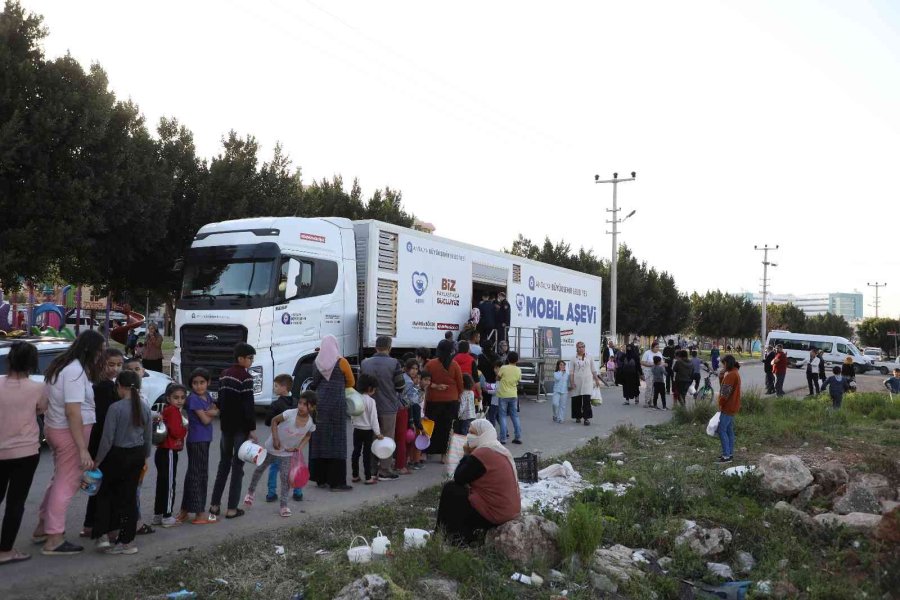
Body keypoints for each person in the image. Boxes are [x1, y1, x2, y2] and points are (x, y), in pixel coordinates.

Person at [34, 329, 104, 556]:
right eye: (99, 350)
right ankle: (54, 538)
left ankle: (43, 528)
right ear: (90, 349)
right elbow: (73, 411)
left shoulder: (60, 365)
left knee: (58, 480)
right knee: (67, 483)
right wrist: (82, 449)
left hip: (56, 429)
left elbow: (44, 401)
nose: (100, 355)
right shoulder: (74, 371)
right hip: (70, 432)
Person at [91, 369, 152, 554]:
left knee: (106, 495)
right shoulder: (144, 407)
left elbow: (107, 439)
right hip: (137, 455)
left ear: (120, 386)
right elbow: (148, 438)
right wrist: (145, 457)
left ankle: (103, 534)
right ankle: (127, 542)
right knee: (130, 498)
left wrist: (97, 460)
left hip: (116, 456)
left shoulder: (115, 408)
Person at [0, 342, 49, 565]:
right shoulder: (37, 388)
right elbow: (41, 409)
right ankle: (5, 550)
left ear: (9, 360)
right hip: (26, 452)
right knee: (15, 502)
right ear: (32, 363)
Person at [436, 419, 520, 545]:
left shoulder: (482, 453)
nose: (469, 436)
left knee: (451, 490)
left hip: (496, 514)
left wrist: (466, 454)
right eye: (469, 432)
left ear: (483, 434)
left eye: (473, 433)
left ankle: (450, 536)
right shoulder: (496, 448)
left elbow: (459, 477)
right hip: (508, 510)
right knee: (461, 492)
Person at [245, 392, 317, 517]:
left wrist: (298, 448)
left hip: (287, 454)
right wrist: (275, 438)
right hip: (271, 448)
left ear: (312, 407)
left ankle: (284, 506)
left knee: (285, 479)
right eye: (300, 403)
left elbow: (308, 435)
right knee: (259, 469)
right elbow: (274, 421)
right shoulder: (290, 413)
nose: (301, 406)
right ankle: (250, 492)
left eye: (305, 405)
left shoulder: (311, 423)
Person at [210, 343, 258, 519]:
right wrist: (252, 429)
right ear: (241, 358)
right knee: (238, 467)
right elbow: (248, 406)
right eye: (250, 358)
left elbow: (220, 400)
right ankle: (231, 509)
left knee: (224, 464)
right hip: (240, 429)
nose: (251, 361)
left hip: (226, 427)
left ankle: (214, 506)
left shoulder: (224, 375)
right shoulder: (245, 377)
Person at [82, 348, 124, 537]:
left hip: (96, 440)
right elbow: (106, 419)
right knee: (105, 487)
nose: (115, 369)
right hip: (103, 442)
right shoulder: (105, 387)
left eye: (119, 365)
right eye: (111, 364)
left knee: (97, 484)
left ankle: (90, 524)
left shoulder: (102, 383)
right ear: (102, 364)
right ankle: (103, 529)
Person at [308, 335, 355, 490]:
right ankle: (336, 482)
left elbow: (314, 383)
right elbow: (351, 382)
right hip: (336, 405)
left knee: (320, 440)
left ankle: (321, 478)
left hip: (320, 404)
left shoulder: (317, 362)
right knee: (336, 441)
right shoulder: (342, 362)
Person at [360, 336, 404, 480]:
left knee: (372, 437)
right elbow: (400, 386)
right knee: (386, 438)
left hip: (368, 407)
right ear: (389, 347)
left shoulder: (365, 363)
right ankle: (385, 469)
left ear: (375, 347)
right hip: (388, 407)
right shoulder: (394, 363)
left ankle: (372, 469)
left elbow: (360, 385)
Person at [178, 368, 218, 525]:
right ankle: (199, 513)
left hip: (204, 439)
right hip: (197, 440)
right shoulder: (193, 399)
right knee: (198, 475)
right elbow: (206, 420)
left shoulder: (206, 396)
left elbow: (216, 409)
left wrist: (211, 411)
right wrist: (211, 412)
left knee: (194, 474)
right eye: (195, 383)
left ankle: (185, 510)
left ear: (208, 383)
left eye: (202, 382)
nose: (199, 386)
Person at [153, 383, 187, 528]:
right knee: (169, 485)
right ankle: (167, 516)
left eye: (182, 398)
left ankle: (158, 515)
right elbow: (176, 432)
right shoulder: (173, 411)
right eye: (176, 397)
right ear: (168, 398)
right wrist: (184, 429)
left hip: (162, 451)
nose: (179, 400)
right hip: (169, 451)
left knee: (162, 483)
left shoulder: (167, 410)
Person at [424, 339, 465, 460]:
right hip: (451, 401)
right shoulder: (455, 365)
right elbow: (460, 384)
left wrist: (435, 386)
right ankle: (444, 455)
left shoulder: (430, 364)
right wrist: (457, 396)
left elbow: (424, 380)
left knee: (431, 426)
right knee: (447, 428)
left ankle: (427, 452)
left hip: (433, 400)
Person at [264, 375, 301, 502]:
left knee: (275, 467)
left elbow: (268, 421)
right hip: (295, 440)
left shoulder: (276, 404)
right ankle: (298, 492)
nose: (274, 388)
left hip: (279, 440)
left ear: (283, 388)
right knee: (294, 466)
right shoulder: (297, 402)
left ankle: (271, 493)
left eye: (276, 386)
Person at [351, 374, 383, 485]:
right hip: (368, 430)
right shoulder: (371, 401)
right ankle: (368, 477)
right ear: (370, 388)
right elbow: (374, 419)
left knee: (356, 452)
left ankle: (355, 475)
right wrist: (378, 433)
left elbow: (352, 414)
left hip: (357, 429)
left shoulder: (355, 399)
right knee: (366, 454)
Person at [717, 355, 741, 464]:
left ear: (727, 363)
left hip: (728, 406)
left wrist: (720, 404)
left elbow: (724, 393)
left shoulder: (731, 375)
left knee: (721, 430)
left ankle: (726, 455)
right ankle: (729, 453)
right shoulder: (735, 373)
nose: (723, 366)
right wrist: (721, 377)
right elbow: (725, 387)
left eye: (723, 363)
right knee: (729, 431)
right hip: (733, 406)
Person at [402, 360, 425, 470]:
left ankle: (403, 462)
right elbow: (415, 400)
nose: (414, 371)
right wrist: (421, 391)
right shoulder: (409, 382)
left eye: (416, 369)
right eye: (413, 368)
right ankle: (403, 463)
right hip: (405, 411)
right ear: (407, 368)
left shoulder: (404, 378)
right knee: (407, 437)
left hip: (403, 410)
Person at [496, 351, 522, 444]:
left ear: (507, 359)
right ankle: (518, 437)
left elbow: (498, 378)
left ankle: (503, 439)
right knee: (515, 416)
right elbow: (518, 380)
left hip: (503, 395)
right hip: (513, 395)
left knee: (502, 416)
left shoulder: (503, 367)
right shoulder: (518, 370)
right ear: (517, 360)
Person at [570, 341, 600, 423]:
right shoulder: (573, 358)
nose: (581, 348)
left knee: (586, 400)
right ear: (577, 348)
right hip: (577, 381)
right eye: (579, 347)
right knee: (576, 399)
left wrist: (596, 379)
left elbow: (593, 369)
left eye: (583, 346)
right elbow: (571, 372)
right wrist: (572, 382)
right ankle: (578, 416)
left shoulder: (589, 357)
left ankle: (586, 418)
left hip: (587, 381)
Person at [641, 342, 664, 407]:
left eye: (658, 347)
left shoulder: (659, 353)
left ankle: (651, 402)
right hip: (648, 372)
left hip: (657, 373)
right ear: (652, 347)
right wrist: (651, 364)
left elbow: (661, 362)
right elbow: (642, 362)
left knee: (655, 388)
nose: (657, 348)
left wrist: (663, 364)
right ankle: (646, 402)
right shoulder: (647, 353)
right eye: (656, 347)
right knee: (649, 387)